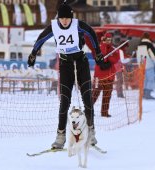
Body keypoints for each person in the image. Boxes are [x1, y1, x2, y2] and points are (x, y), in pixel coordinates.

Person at [27, 2, 107, 149]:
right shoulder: (54, 27)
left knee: (87, 100)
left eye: (67, 18)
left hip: (81, 63)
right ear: (58, 18)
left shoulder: (78, 25)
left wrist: (98, 53)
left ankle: (91, 132)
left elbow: (91, 33)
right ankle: (60, 135)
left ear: (71, 17)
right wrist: (33, 54)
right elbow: (41, 39)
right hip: (65, 65)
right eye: (62, 18)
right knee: (64, 101)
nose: (64, 21)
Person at [92, 32, 120, 117]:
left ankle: (104, 112)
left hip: (109, 76)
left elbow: (115, 59)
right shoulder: (98, 48)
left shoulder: (114, 49)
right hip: (98, 76)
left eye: (110, 40)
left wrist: (109, 57)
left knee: (107, 95)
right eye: (106, 40)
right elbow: (98, 58)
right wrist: (103, 46)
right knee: (94, 94)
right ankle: (88, 110)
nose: (108, 41)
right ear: (103, 39)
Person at [136, 32, 155, 100]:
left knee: (144, 80)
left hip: (141, 64)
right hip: (149, 64)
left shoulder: (139, 45)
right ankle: (148, 93)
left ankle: (143, 93)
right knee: (151, 79)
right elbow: (153, 55)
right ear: (149, 37)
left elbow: (137, 56)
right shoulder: (149, 44)